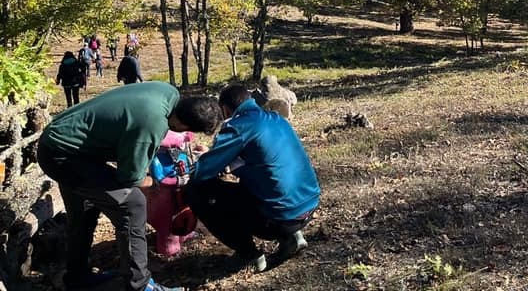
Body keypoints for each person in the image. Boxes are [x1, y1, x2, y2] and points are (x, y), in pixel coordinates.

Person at [37, 82, 221, 291]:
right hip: (64, 156)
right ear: (184, 126)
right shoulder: (151, 124)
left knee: (85, 210)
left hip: (63, 142)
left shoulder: (167, 92)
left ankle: (76, 277)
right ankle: (140, 286)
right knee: (132, 204)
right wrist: (154, 182)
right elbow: (130, 177)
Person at [185, 84, 320, 273]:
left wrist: (205, 159)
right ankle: (293, 236)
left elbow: (202, 171)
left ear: (225, 109)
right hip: (309, 205)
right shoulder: (276, 119)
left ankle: (249, 254)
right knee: (268, 179)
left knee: (195, 191)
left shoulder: (238, 126)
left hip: (278, 219)